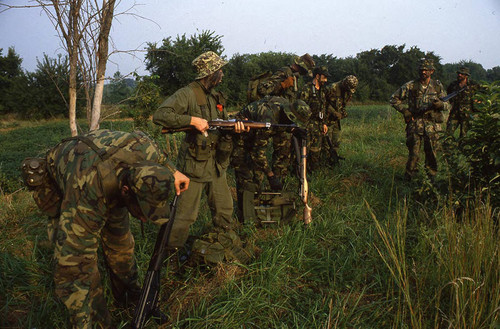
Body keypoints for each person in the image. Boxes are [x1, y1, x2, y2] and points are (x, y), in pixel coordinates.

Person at [21, 129, 190, 329]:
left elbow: (157, 155)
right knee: (84, 266)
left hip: (106, 172)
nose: (145, 218)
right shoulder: (86, 190)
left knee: (121, 244)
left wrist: (173, 171)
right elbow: (73, 268)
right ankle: (98, 321)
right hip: (67, 179)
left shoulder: (146, 150)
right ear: (126, 192)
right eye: (143, 211)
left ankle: (130, 299)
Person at [152, 51, 246, 250]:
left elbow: (221, 125)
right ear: (210, 72)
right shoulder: (188, 94)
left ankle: (223, 248)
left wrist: (235, 128)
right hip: (194, 166)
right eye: (219, 70)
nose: (222, 74)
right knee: (184, 217)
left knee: (224, 210)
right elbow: (160, 115)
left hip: (216, 164)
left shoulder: (215, 96)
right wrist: (191, 120)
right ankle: (170, 256)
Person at [231, 96, 311, 220]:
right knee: (248, 174)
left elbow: (283, 135)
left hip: (266, 128)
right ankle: (245, 214)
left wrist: (294, 129)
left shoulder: (285, 108)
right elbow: (257, 153)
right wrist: (270, 175)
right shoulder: (268, 116)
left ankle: (274, 200)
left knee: (284, 151)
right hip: (242, 132)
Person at [390, 58, 451, 181]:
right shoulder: (411, 85)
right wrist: (405, 111)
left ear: (431, 71)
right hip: (415, 123)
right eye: (421, 69)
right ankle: (410, 179)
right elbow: (393, 99)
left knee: (432, 154)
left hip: (432, 125)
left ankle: (431, 179)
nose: (423, 72)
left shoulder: (437, 86)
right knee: (414, 154)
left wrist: (441, 105)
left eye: (426, 70)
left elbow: (447, 104)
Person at [298, 65, 330, 171]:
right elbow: (300, 108)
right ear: (317, 76)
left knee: (316, 150)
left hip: (318, 124)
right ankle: (302, 171)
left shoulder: (322, 91)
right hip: (307, 124)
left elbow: (323, 107)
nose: (326, 80)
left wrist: (324, 123)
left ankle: (315, 171)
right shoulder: (307, 89)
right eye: (324, 77)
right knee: (304, 149)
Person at [324, 75, 358, 164]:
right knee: (327, 143)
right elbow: (323, 103)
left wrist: (343, 113)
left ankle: (333, 160)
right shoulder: (332, 88)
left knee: (336, 141)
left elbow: (343, 104)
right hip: (327, 119)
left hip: (336, 121)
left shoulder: (348, 91)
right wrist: (334, 113)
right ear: (344, 84)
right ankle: (325, 162)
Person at [446, 66, 479, 137]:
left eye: (462, 74)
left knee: (463, 136)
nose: (459, 75)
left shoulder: (473, 85)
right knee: (448, 134)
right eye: (459, 73)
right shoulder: (453, 85)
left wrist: (478, 101)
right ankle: (448, 147)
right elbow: (448, 95)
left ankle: (461, 148)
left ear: (466, 76)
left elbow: (483, 92)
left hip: (466, 115)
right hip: (454, 113)